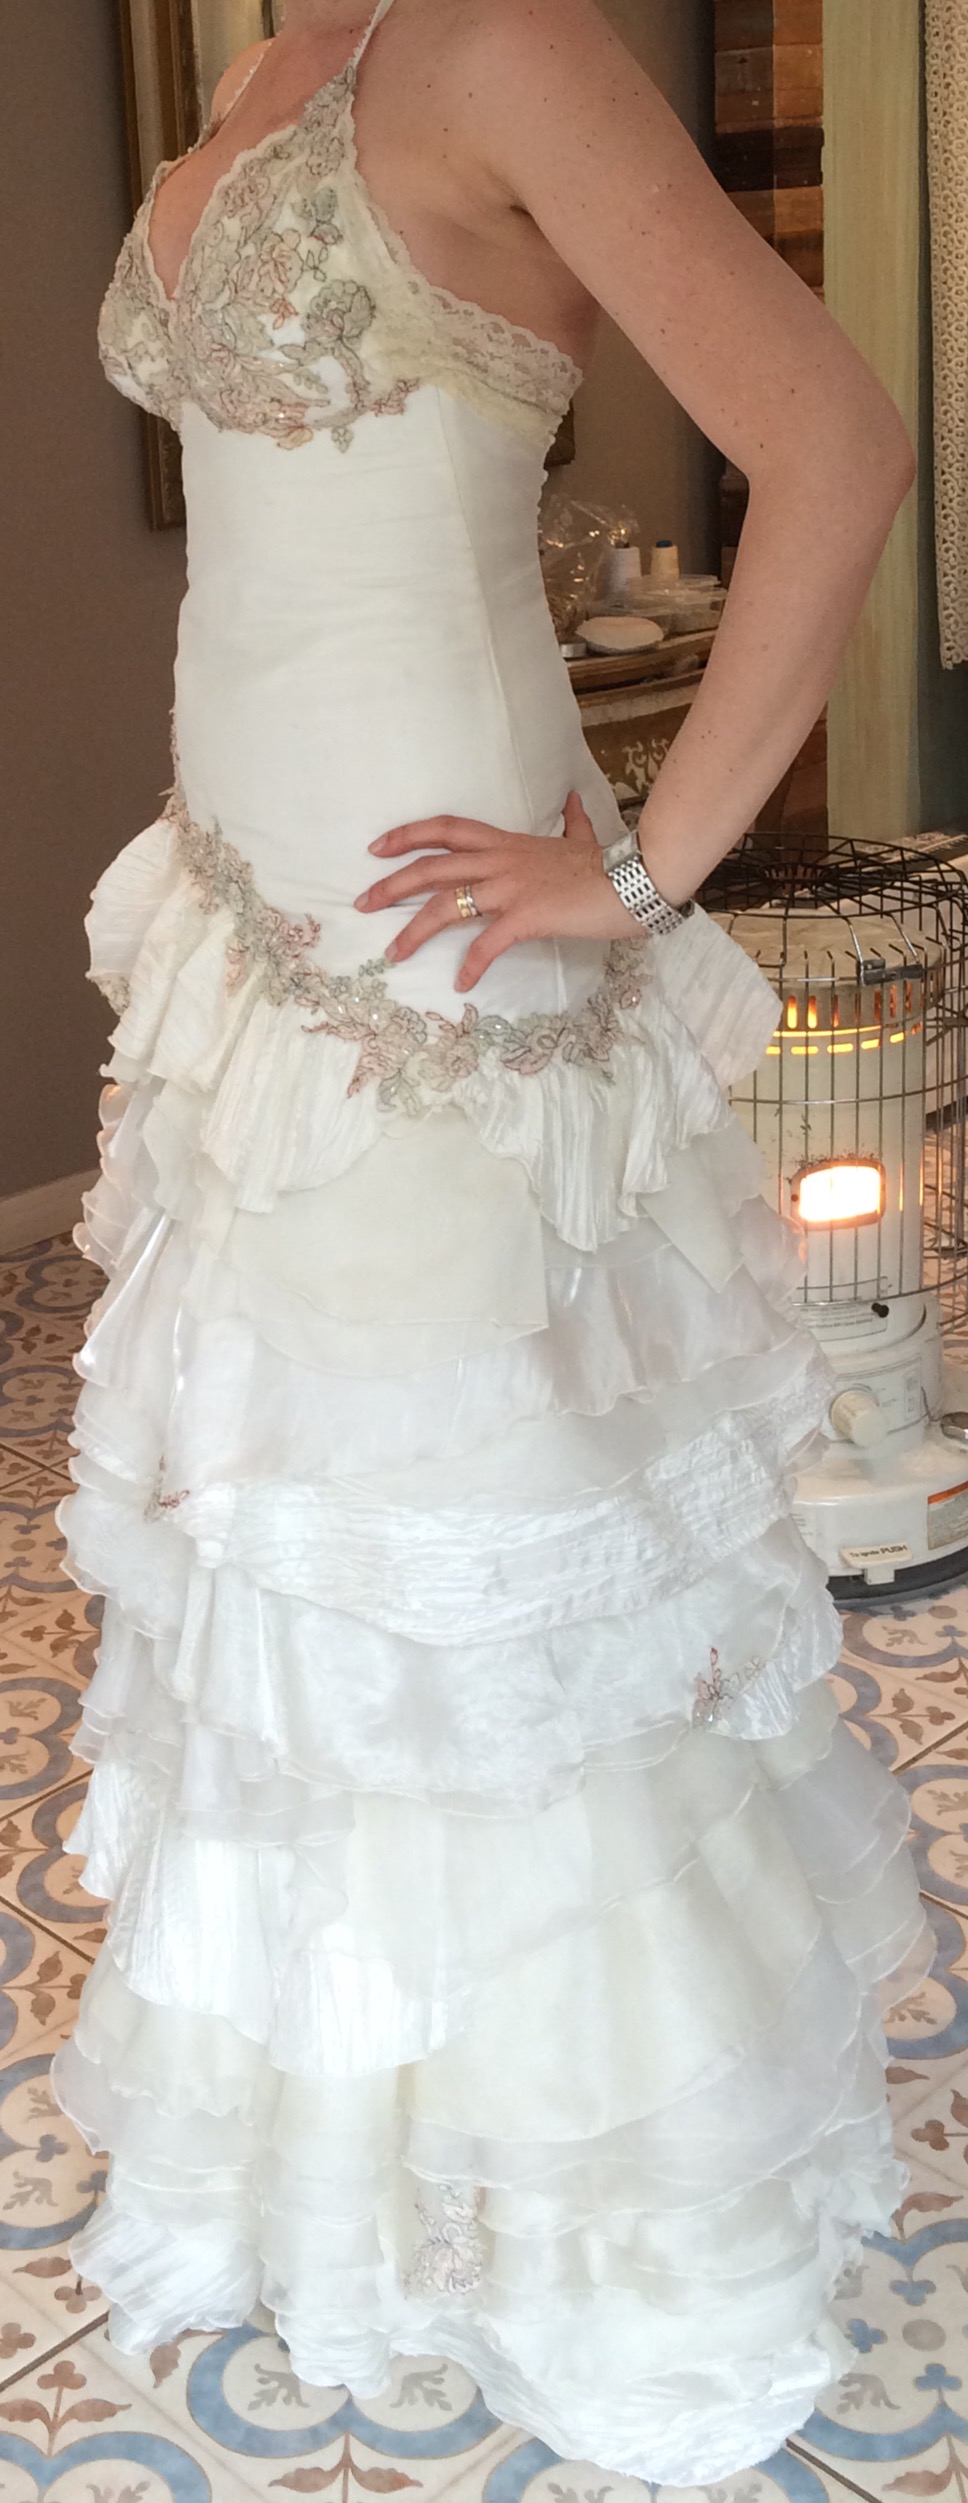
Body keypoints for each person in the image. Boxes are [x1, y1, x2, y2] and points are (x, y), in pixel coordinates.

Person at [51, 0, 931, 2481]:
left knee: (490, 1597)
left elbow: (838, 444)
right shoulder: (267, 51)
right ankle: (362, 2172)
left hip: (437, 960)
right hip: (254, 937)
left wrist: (643, 870)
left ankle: (625, 2229)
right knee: (313, 1597)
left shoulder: (506, 41)